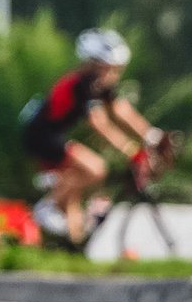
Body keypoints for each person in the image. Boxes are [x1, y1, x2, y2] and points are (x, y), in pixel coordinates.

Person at [20, 28, 162, 247]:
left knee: (74, 195)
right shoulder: (81, 85)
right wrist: (131, 149)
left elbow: (121, 111)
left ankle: (73, 248)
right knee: (96, 168)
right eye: (111, 68)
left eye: (118, 69)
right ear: (95, 64)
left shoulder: (98, 85)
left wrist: (152, 134)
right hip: (42, 136)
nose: (115, 74)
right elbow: (99, 123)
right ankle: (46, 208)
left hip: (54, 134)